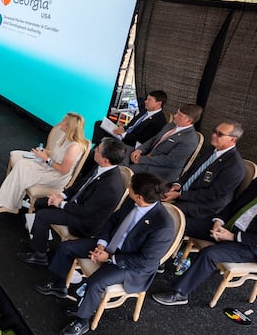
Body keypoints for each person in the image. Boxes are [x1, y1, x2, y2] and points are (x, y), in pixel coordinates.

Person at [34, 173, 174, 335]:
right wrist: (102, 244)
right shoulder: (132, 200)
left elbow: (146, 261)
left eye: (130, 186)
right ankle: (59, 286)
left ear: (139, 196)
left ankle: (82, 321)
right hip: (111, 245)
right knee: (67, 248)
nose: (127, 187)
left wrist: (109, 258)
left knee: (96, 281)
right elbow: (113, 221)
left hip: (132, 265)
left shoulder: (163, 226)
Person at [18, 138, 128, 267]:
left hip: (85, 221)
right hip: (76, 205)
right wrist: (62, 195)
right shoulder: (101, 167)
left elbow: (86, 211)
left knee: (43, 215)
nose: (95, 150)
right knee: (41, 202)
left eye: (98, 150)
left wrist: (60, 203)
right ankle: (41, 241)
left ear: (106, 160)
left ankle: (40, 255)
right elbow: (80, 185)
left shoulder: (111, 186)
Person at [152, 178, 257, 306]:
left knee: (209, 255)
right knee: (182, 224)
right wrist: (219, 221)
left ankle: (179, 293)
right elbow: (235, 203)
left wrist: (233, 236)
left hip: (249, 244)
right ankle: (153, 259)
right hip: (230, 227)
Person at [0, 112, 86, 213]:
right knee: (22, 164)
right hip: (50, 168)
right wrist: (45, 153)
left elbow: (64, 170)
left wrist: (46, 159)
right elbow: (57, 155)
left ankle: (10, 205)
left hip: (56, 177)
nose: (61, 123)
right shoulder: (65, 138)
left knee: (22, 168)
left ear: (69, 127)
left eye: (63, 121)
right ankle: (11, 204)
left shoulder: (74, 147)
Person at [162, 121, 244, 218]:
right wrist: (177, 185)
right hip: (186, 191)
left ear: (232, 139)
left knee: (164, 212)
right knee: (150, 191)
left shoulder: (234, 166)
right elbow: (191, 171)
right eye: (214, 131)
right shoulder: (209, 150)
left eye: (220, 134)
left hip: (204, 205)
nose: (214, 135)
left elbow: (212, 195)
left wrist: (180, 194)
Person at [127, 104, 203, 182]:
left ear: (189, 121)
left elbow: (168, 160)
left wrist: (141, 159)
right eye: (176, 113)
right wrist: (140, 150)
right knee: (122, 151)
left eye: (179, 115)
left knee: (126, 170)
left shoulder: (190, 140)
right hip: (148, 156)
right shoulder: (171, 125)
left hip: (161, 170)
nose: (175, 116)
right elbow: (154, 139)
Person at [92, 90, 168, 147]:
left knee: (102, 138)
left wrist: (124, 134)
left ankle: (99, 148)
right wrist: (123, 128)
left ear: (158, 103)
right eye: (146, 99)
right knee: (99, 124)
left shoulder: (159, 121)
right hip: (124, 134)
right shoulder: (145, 110)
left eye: (149, 100)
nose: (145, 101)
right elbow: (131, 125)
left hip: (130, 142)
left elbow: (142, 140)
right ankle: (98, 147)